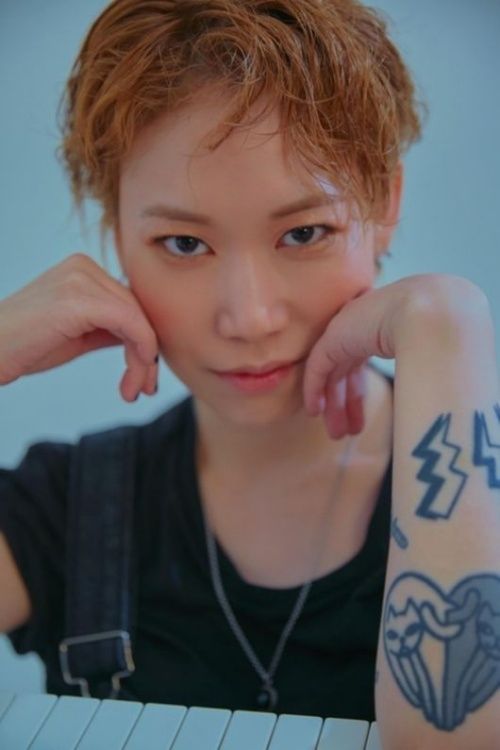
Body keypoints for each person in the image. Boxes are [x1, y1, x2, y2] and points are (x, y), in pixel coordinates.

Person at [1, 2, 499, 746]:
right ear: (115, 234)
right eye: (183, 243)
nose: (250, 317)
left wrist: (449, 328)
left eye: (304, 232)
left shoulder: (487, 504)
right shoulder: (66, 510)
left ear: (385, 206)